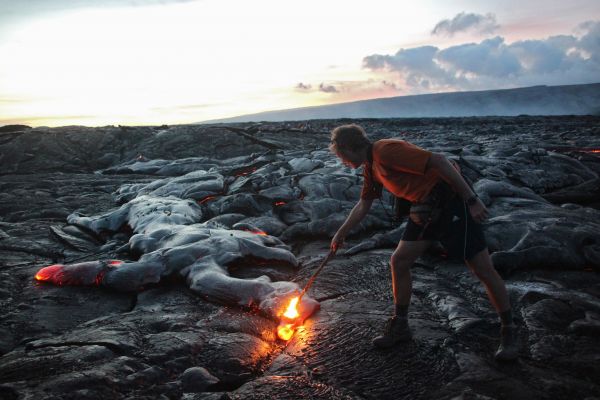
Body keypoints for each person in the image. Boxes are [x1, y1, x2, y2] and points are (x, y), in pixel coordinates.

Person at [329, 124, 518, 361]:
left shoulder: (386, 150)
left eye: (340, 155)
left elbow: (439, 161)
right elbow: (364, 204)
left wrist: (472, 199)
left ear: (348, 147)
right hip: (425, 211)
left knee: (482, 268)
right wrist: (341, 233)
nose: (341, 160)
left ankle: (509, 330)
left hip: (452, 205)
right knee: (399, 261)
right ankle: (401, 326)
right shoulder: (371, 166)